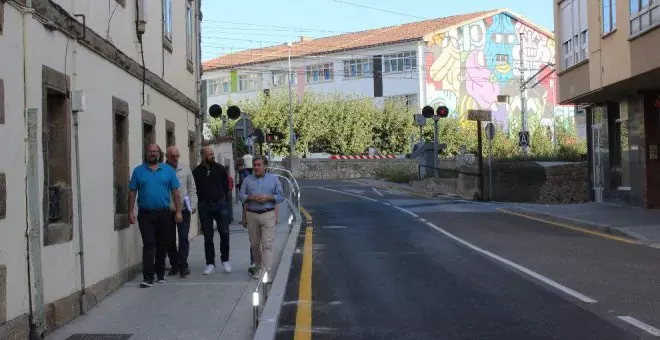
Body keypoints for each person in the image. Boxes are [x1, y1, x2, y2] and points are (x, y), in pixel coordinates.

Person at [128, 143, 182, 288]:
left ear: (160, 154)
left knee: (161, 245)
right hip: (145, 214)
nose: (152, 154)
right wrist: (130, 211)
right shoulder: (138, 171)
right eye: (150, 151)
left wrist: (178, 211)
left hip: (164, 213)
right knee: (149, 243)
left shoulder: (168, 171)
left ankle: (160, 273)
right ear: (147, 154)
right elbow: (132, 192)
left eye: (155, 151)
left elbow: (175, 192)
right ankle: (148, 277)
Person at [239, 156, 284, 279]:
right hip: (252, 215)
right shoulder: (247, 180)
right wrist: (251, 197)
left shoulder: (274, 180)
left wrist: (268, 198)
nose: (257, 167)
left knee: (267, 244)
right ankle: (259, 267)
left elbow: (281, 196)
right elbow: (241, 196)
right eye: (255, 165)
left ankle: (266, 271)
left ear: (265, 166)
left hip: (268, 214)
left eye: (259, 165)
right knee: (254, 245)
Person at [193, 146, 231, 275]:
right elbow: (194, 189)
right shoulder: (197, 172)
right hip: (204, 206)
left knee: (224, 232)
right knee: (208, 237)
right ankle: (210, 263)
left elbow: (226, 188)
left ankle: (225, 259)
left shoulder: (220, 169)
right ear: (203, 156)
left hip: (220, 204)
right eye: (209, 154)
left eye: (212, 154)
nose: (212, 156)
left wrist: (222, 200)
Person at [165, 146, 197, 278]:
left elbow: (191, 187)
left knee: (183, 238)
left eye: (177, 156)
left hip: (183, 209)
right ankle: (174, 265)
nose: (175, 159)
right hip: (167, 210)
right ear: (167, 157)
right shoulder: (162, 170)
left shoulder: (185, 168)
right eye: (172, 156)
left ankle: (183, 265)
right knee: (170, 239)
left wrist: (193, 205)